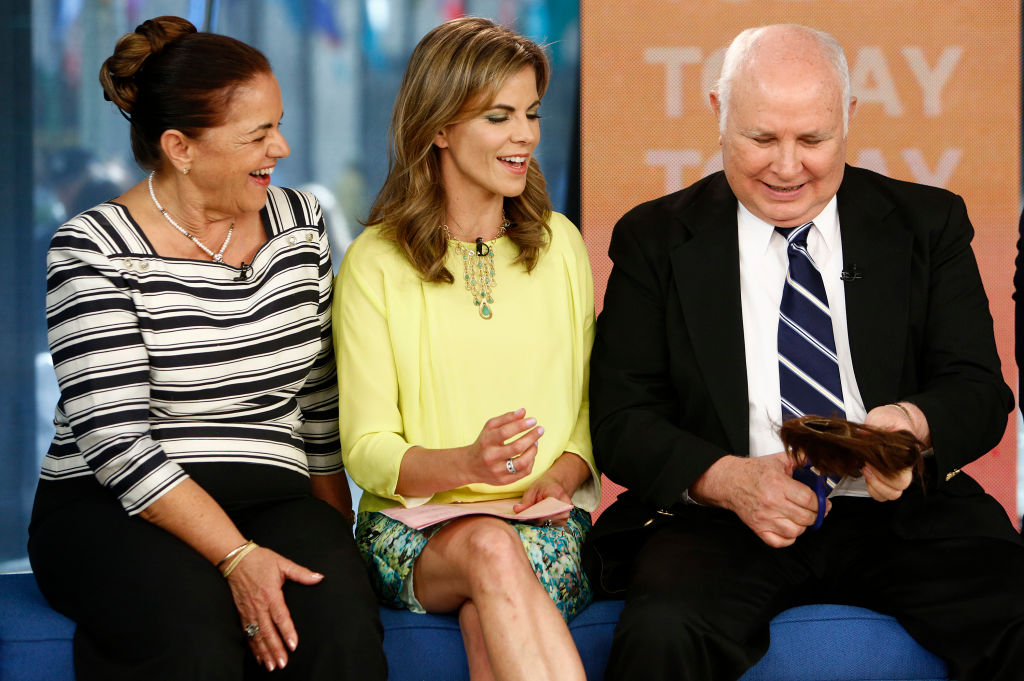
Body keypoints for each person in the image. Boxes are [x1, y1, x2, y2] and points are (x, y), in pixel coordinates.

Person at [585, 23, 1024, 681]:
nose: (786, 166)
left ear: (848, 118)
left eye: (812, 140)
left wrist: (911, 426)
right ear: (718, 113)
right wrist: (725, 478)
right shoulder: (653, 238)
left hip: (902, 509)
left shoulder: (927, 223)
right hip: (724, 516)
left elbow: (979, 391)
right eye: (762, 138)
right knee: (662, 633)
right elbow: (621, 417)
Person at [27, 16, 386, 680]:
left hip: (274, 492)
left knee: (337, 620)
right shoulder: (93, 247)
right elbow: (117, 442)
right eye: (257, 134)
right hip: (115, 504)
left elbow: (316, 397)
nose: (280, 146)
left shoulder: (298, 222)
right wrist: (236, 556)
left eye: (277, 124)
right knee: (191, 626)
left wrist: (341, 534)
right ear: (180, 147)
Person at [334, 16, 600, 681]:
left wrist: (557, 477)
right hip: (412, 532)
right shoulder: (375, 261)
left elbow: (591, 411)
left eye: (532, 114)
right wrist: (466, 462)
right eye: (499, 116)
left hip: (546, 525)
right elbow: (366, 449)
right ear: (440, 128)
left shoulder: (561, 244)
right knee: (487, 546)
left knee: (491, 600)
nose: (526, 136)